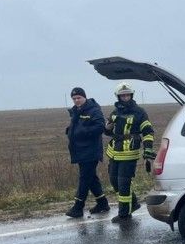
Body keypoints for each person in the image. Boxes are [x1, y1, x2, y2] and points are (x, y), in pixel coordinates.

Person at [105, 82, 156, 222]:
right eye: (122, 95)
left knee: (123, 184)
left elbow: (148, 132)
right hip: (115, 152)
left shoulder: (139, 112)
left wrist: (148, 151)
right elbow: (108, 131)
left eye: (127, 94)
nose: (125, 97)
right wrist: (107, 128)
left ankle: (124, 214)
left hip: (129, 154)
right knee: (114, 181)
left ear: (131, 95)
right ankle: (133, 203)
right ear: (118, 97)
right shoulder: (115, 112)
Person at [65, 87, 109, 218]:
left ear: (84, 97)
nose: (76, 101)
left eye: (78, 98)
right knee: (91, 178)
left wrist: (80, 132)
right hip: (79, 149)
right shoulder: (75, 111)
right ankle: (102, 203)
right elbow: (78, 125)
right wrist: (70, 130)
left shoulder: (94, 110)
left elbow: (100, 127)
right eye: (74, 99)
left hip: (91, 150)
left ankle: (78, 207)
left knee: (84, 178)